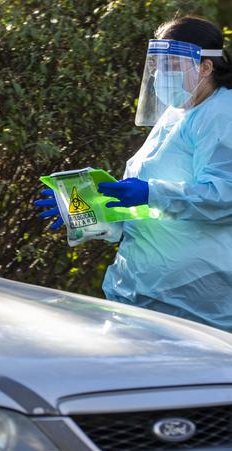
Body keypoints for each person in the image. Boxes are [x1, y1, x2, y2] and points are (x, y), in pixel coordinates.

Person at [36, 16, 232, 330]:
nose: (160, 74)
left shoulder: (222, 113)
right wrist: (89, 210)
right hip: (141, 289)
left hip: (194, 298)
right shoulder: (176, 114)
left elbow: (224, 195)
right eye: (156, 65)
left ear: (206, 67)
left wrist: (151, 192)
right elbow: (149, 208)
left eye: (172, 64)